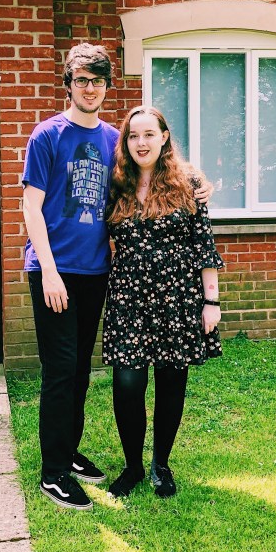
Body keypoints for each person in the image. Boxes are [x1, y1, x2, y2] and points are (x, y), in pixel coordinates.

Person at [102, 106, 223, 499]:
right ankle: (133, 466)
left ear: (164, 137)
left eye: (149, 134)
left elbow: (204, 244)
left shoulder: (188, 183)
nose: (141, 142)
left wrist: (212, 302)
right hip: (129, 300)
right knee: (127, 384)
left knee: (172, 384)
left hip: (177, 301)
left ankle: (161, 465)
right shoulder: (116, 181)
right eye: (133, 136)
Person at [22, 43, 117, 510]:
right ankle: (53, 473)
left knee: (80, 370)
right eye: (82, 79)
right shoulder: (47, 136)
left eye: (98, 80)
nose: (90, 88)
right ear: (69, 83)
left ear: (106, 86)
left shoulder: (115, 140)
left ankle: (69, 450)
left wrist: (199, 182)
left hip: (95, 271)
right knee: (60, 372)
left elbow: (152, 176)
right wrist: (51, 274)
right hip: (53, 272)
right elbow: (31, 208)